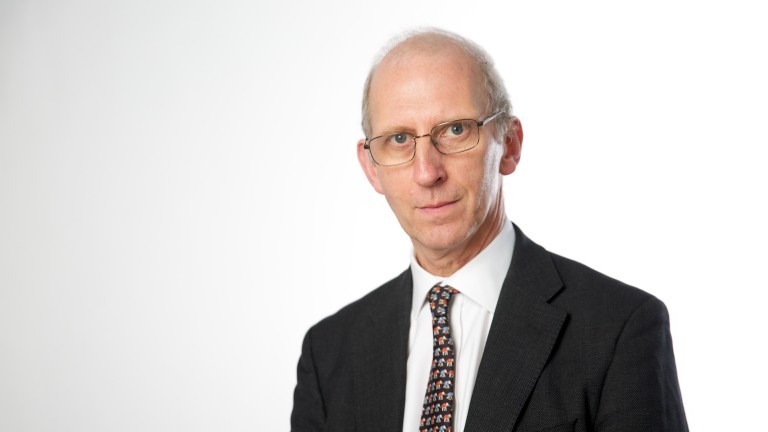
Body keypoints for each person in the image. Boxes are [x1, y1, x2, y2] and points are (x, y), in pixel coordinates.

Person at [291, 28, 688, 432]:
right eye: (399, 138)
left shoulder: (619, 328)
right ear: (371, 167)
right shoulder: (328, 354)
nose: (427, 172)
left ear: (509, 144)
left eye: (455, 130)